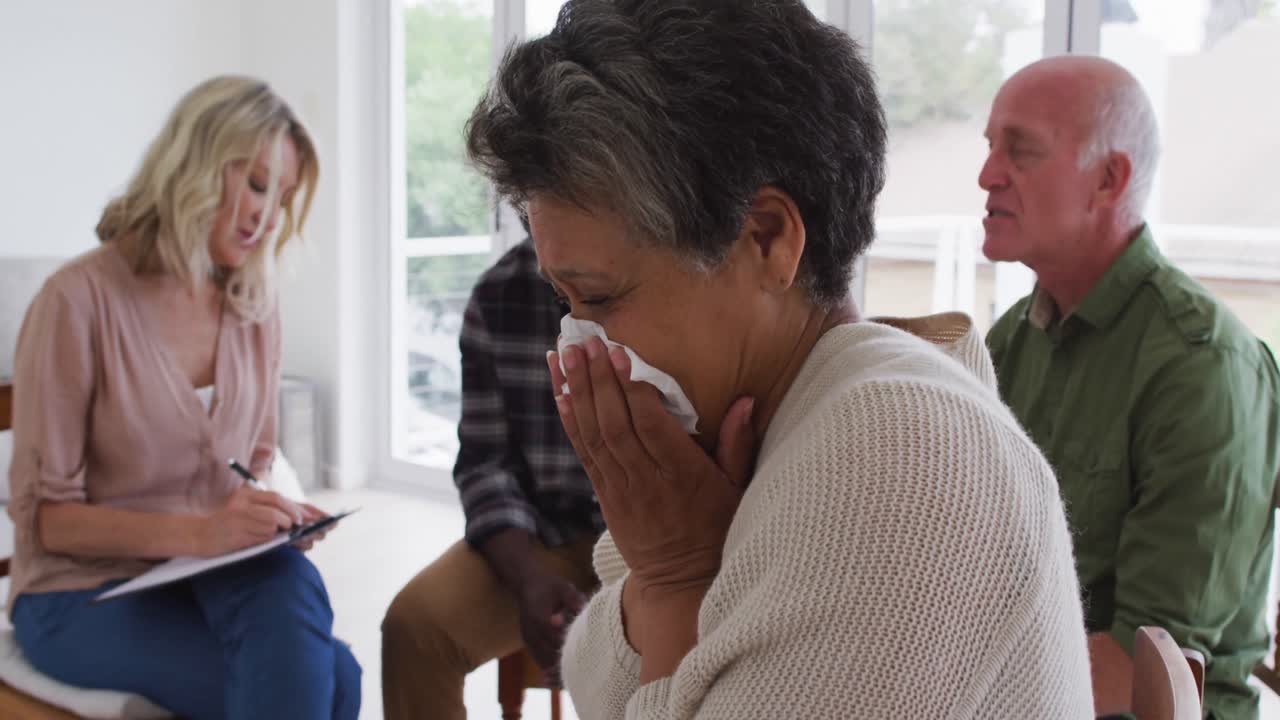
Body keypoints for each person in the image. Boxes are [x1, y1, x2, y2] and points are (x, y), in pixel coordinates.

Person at [463, 1, 1095, 717]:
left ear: (766, 238)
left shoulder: (896, 455)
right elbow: (589, 673)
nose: (580, 346)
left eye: (601, 298)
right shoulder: (760, 425)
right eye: (566, 302)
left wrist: (675, 581)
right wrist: (667, 571)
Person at [6, 75, 360, 720]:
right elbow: (46, 520)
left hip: (203, 568)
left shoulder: (255, 305)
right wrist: (203, 531)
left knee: (293, 591)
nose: (268, 216)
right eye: (255, 184)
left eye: (282, 197)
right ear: (192, 165)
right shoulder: (76, 301)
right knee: (331, 679)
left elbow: (251, 460)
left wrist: (266, 514)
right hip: (77, 593)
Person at [981, 56, 1280, 720]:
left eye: (1020, 151)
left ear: (1109, 179)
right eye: (989, 147)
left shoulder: (1202, 365)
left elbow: (1149, 669)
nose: (986, 175)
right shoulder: (1011, 341)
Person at [380, 238, 603, 719]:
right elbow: (484, 462)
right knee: (414, 627)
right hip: (551, 533)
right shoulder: (498, 294)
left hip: (661, 533)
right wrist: (527, 581)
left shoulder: (671, 270)